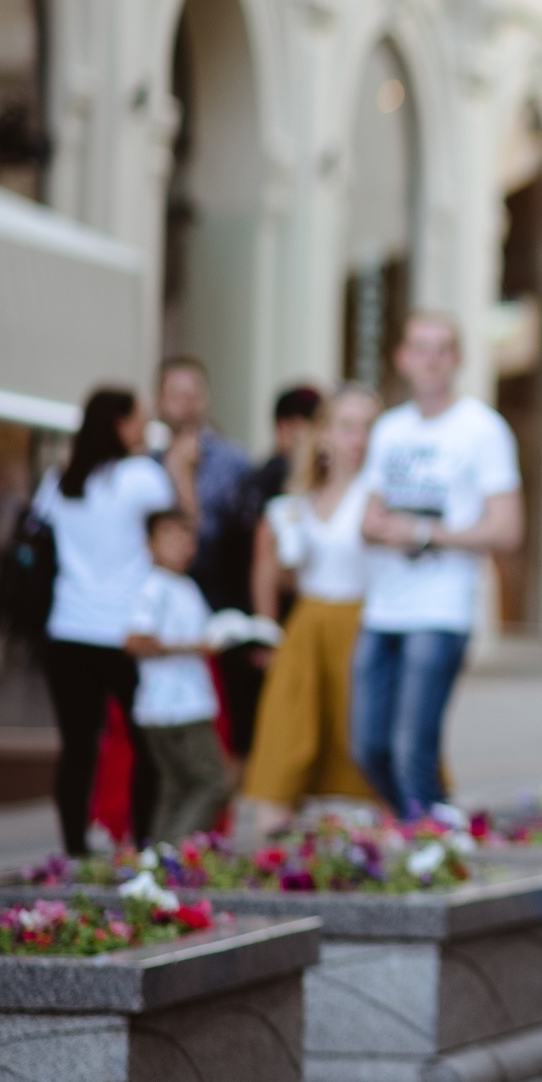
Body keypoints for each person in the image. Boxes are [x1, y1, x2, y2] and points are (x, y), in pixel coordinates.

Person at [354, 312, 524, 818]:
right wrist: (380, 528)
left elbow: (508, 529)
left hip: (441, 609)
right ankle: (430, 827)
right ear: (402, 358)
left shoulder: (483, 430)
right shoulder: (389, 429)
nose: (430, 358)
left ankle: (428, 847)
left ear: (457, 360)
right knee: (367, 747)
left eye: (441, 348)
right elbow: (367, 515)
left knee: (413, 750)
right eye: (420, 347)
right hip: (382, 607)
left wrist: (426, 534)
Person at [34, 388, 198, 854]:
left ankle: (73, 848)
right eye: (139, 419)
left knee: (78, 748)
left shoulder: (62, 479)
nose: (145, 429)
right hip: (126, 633)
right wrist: (181, 469)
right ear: (121, 424)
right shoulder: (140, 476)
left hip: (67, 629)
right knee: (144, 744)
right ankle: (145, 840)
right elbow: (181, 525)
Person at [242, 384, 381, 833]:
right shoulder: (298, 501)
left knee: (360, 738)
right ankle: (275, 847)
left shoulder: (378, 494)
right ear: (323, 435)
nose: (357, 438)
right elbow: (273, 570)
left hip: (362, 623)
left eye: (367, 427)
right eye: (346, 426)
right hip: (307, 624)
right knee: (288, 732)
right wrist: (266, 628)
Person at [212, 384, 324, 756]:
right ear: (289, 426)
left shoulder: (252, 476)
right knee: (268, 743)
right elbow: (268, 565)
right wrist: (267, 633)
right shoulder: (281, 482)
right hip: (267, 628)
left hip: (247, 626)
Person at [123, 510, 232, 843]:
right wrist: (193, 648)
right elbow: (134, 641)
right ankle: (173, 854)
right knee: (213, 783)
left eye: (187, 537)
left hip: (181, 703)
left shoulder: (185, 585)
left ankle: (155, 863)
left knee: (174, 788)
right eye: (171, 537)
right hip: (176, 707)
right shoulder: (152, 587)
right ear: (150, 544)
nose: (183, 545)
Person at [154, 357, 253, 605]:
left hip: (213, 597)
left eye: (193, 393)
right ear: (159, 401)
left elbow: (212, 541)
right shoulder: (146, 463)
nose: (186, 403)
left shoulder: (233, 462)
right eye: (176, 394)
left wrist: (183, 475)